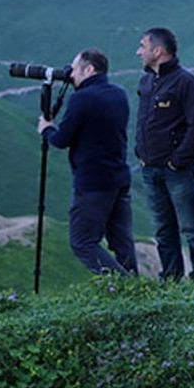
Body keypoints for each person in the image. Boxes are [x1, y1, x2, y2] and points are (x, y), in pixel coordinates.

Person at [36, 48, 136, 275]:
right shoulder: (118, 93)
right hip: (119, 176)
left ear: (89, 69)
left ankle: (122, 286)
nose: (70, 74)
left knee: (82, 242)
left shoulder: (82, 99)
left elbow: (61, 140)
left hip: (93, 182)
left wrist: (47, 129)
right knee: (122, 241)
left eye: (75, 68)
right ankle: (137, 289)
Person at [135, 27, 194, 280]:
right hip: (150, 168)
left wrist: (178, 161)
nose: (139, 51)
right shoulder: (146, 81)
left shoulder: (186, 82)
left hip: (178, 170)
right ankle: (171, 277)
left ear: (158, 51)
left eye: (143, 46)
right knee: (163, 229)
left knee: (192, 228)